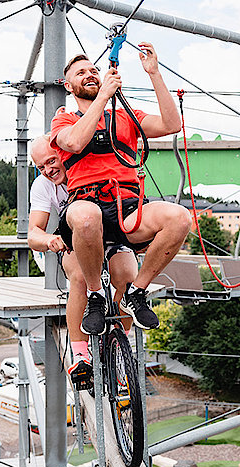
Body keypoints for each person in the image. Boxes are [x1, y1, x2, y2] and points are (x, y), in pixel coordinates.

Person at [50, 42, 191, 333]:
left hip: (125, 205)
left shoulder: (125, 115)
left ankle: (136, 291)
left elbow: (171, 124)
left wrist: (154, 73)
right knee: (88, 218)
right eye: (81, 73)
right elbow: (74, 142)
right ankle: (94, 294)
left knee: (179, 218)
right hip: (85, 202)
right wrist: (103, 97)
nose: (90, 74)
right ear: (68, 85)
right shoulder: (64, 118)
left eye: (94, 70)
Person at [28, 134, 138, 388]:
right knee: (78, 277)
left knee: (126, 275)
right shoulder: (44, 186)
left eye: (51, 161)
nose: (47, 170)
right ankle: (80, 354)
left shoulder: (89, 164)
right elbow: (33, 232)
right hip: (76, 241)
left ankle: (122, 343)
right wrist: (48, 240)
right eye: (41, 167)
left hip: (110, 235)